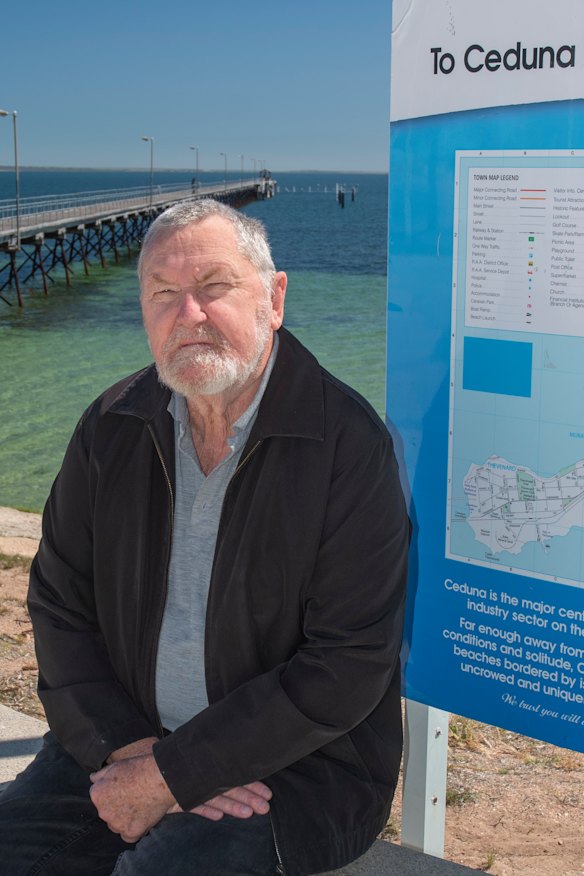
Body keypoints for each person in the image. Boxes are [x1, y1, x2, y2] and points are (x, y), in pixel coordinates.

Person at [0, 199, 409, 876]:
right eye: (163, 293)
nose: (188, 315)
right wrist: (132, 754)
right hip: (121, 737)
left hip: (298, 767)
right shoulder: (111, 426)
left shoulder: (347, 444)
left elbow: (346, 666)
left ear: (274, 298)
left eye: (215, 287)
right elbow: (58, 607)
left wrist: (177, 774)